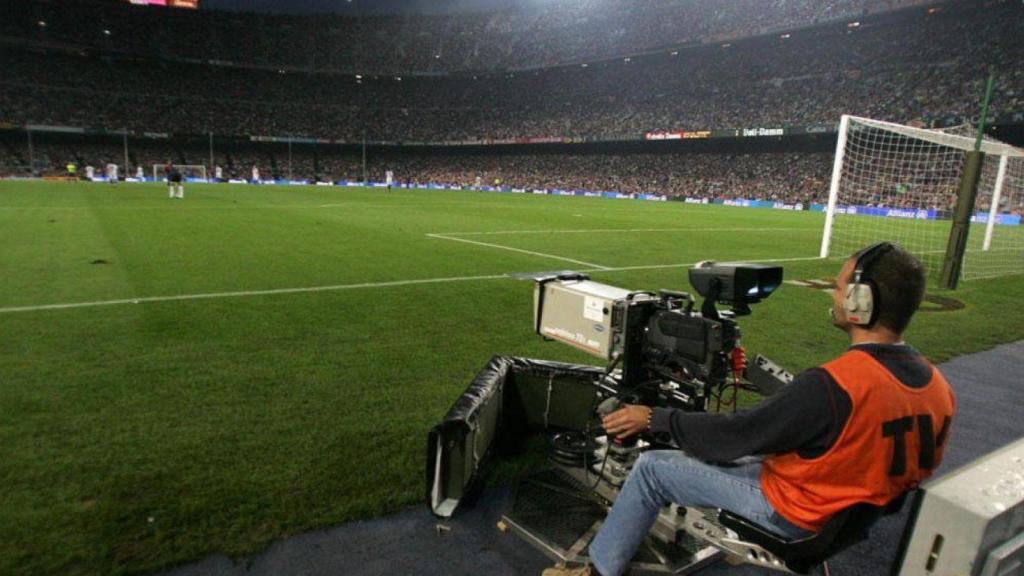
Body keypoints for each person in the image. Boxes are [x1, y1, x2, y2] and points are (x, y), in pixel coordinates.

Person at [544, 242, 956, 576]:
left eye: (840, 286)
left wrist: (654, 417)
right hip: (844, 514)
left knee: (653, 469)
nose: (834, 293)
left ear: (860, 302)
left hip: (796, 513)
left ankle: (599, 569)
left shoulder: (837, 385)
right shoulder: (937, 386)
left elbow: (733, 436)